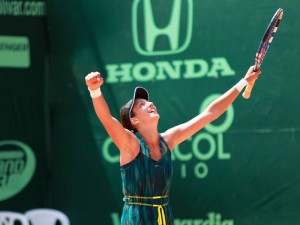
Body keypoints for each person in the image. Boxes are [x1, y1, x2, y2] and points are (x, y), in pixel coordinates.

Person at [85, 66, 261, 225]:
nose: (150, 103)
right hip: (136, 219)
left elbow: (211, 113)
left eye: (148, 101)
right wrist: (94, 90)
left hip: (164, 217)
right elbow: (107, 119)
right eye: (142, 104)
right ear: (134, 120)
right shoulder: (130, 144)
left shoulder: (169, 140)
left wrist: (244, 82)